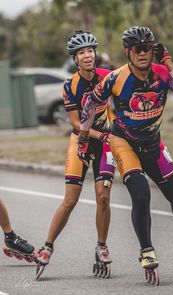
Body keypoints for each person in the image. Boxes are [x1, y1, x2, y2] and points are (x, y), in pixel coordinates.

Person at [78, 26, 173, 283]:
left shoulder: (162, 73)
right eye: (137, 49)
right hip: (124, 143)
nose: (143, 53)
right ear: (128, 52)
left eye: (148, 48)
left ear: (154, 50)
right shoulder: (115, 78)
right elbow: (91, 103)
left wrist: (168, 61)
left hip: (153, 143)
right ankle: (146, 249)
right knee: (141, 194)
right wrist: (83, 135)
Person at [35, 30, 116, 279]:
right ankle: (47, 247)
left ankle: (101, 246)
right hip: (81, 141)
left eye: (90, 50)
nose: (87, 55)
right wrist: (98, 135)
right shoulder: (70, 85)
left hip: (106, 143)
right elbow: (74, 123)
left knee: (103, 196)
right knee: (70, 200)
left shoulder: (108, 77)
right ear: (75, 58)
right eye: (82, 52)